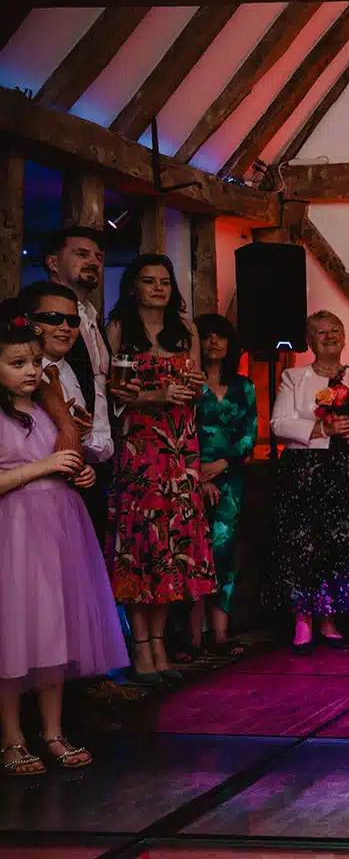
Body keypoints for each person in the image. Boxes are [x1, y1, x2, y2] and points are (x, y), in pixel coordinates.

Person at [0, 314, 128, 775]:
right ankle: (11, 738)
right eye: (17, 363)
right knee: (12, 635)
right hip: (13, 532)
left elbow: (64, 463)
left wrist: (80, 473)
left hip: (57, 526)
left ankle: (53, 732)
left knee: (54, 629)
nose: (31, 371)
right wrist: (44, 467)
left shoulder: (46, 411)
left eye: (35, 361)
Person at [104, 254, 217, 684]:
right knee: (141, 547)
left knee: (171, 548)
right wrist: (155, 396)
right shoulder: (118, 329)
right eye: (149, 281)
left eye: (165, 282)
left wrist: (195, 387)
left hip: (179, 452)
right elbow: (112, 393)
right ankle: (140, 645)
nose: (158, 288)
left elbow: (197, 385)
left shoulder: (185, 330)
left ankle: (160, 642)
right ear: (133, 286)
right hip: (139, 448)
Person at [267, 311, 349, 652]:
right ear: (310, 342)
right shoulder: (293, 377)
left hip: (345, 470)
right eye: (320, 332)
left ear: (344, 338)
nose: (329, 336)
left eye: (335, 330)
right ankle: (303, 622)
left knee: (336, 547)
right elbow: (279, 423)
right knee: (302, 546)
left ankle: (330, 621)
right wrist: (322, 430)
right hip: (305, 472)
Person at [194, 314, 257, 658]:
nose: (214, 343)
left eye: (221, 337)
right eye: (207, 337)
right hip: (188, 475)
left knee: (223, 551)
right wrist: (196, 471)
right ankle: (190, 635)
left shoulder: (243, 386)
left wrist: (220, 466)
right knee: (191, 553)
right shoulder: (188, 383)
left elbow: (249, 434)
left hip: (230, 478)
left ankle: (219, 632)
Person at [43, 227, 111, 541]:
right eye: (81, 254)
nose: (94, 262)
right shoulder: (34, 318)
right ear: (53, 262)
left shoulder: (93, 317)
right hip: (55, 459)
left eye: (98, 257)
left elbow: (96, 387)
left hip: (97, 459)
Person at [21, 281, 112, 469]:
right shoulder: (11, 374)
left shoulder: (84, 375)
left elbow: (105, 447)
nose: (65, 327)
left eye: (73, 321)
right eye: (53, 318)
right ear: (28, 321)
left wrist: (84, 436)